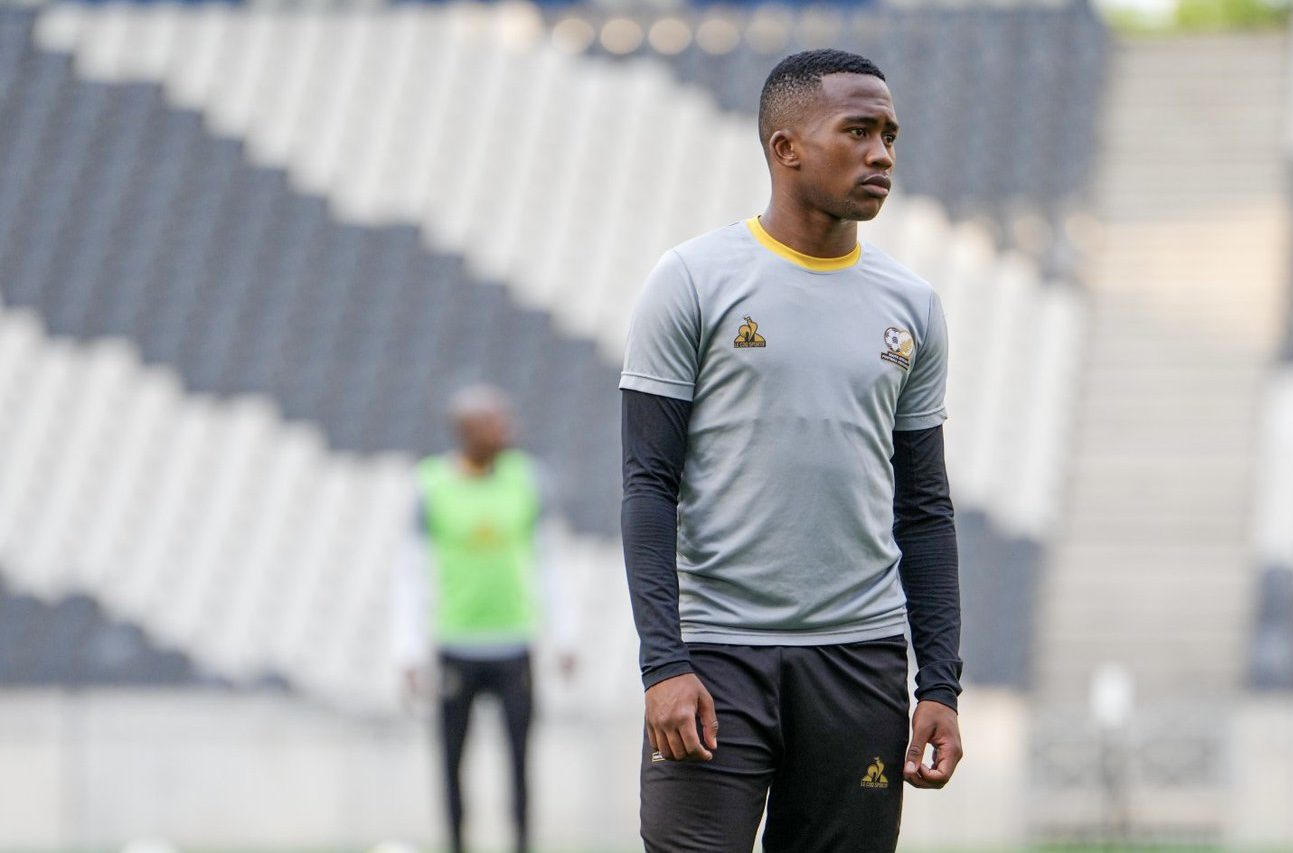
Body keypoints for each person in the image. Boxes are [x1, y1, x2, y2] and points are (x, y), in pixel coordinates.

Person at [619, 49, 965, 852]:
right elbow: (647, 486)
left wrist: (939, 684)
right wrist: (663, 664)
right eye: (857, 131)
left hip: (859, 662)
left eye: (889, 135)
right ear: (786, 148)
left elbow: (924, 509)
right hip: (715, 658)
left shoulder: (912, 306)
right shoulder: (692, 280)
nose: (881, 154)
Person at [392, 384, 574, 853]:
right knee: (452, 760)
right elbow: (411, 571)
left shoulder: (527, 478)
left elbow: (548, 560)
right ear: (466, 430)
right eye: (495, 422)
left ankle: (522, 844)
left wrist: (564, 636)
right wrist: (408, 649)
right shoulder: (431, 483)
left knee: (520, 759)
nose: (507, 429)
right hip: (457, 644)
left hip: (514, 643)